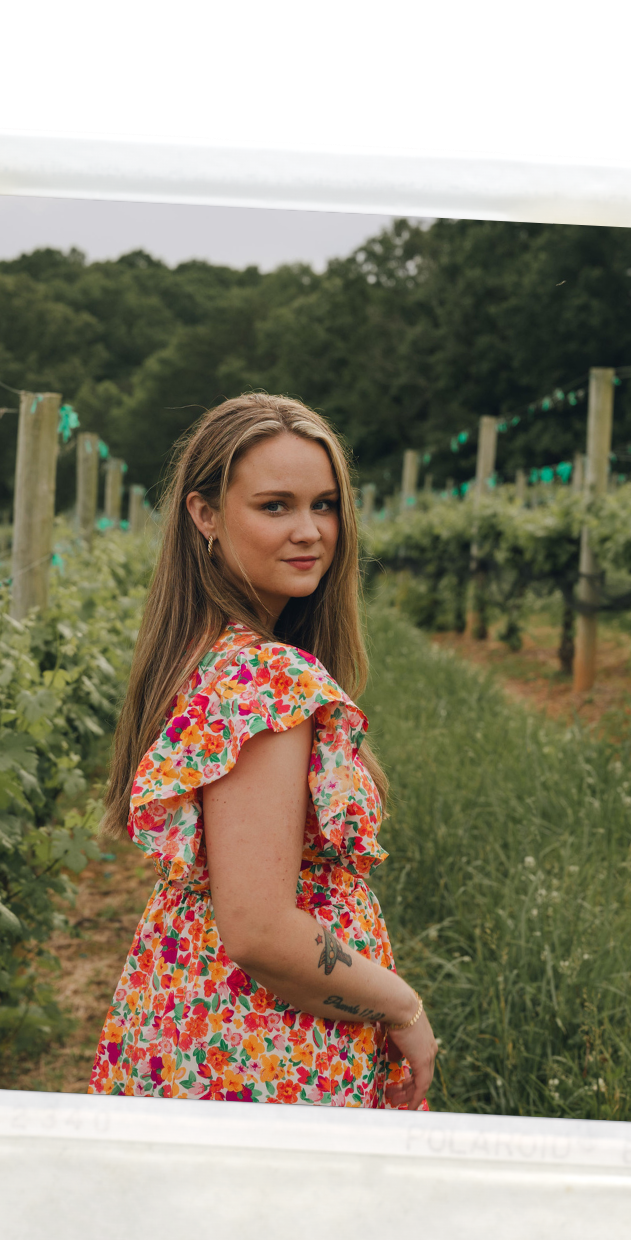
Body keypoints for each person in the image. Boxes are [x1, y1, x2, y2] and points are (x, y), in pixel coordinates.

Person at [89, 394, 437, 1111]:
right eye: (275, 506)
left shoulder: (202, 653)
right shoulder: (267, 678)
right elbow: (261, 932)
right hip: (266, 1046)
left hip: (201, 1021)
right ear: (205, 514)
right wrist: (403, 1008)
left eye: (325, 505)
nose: (310, 531)